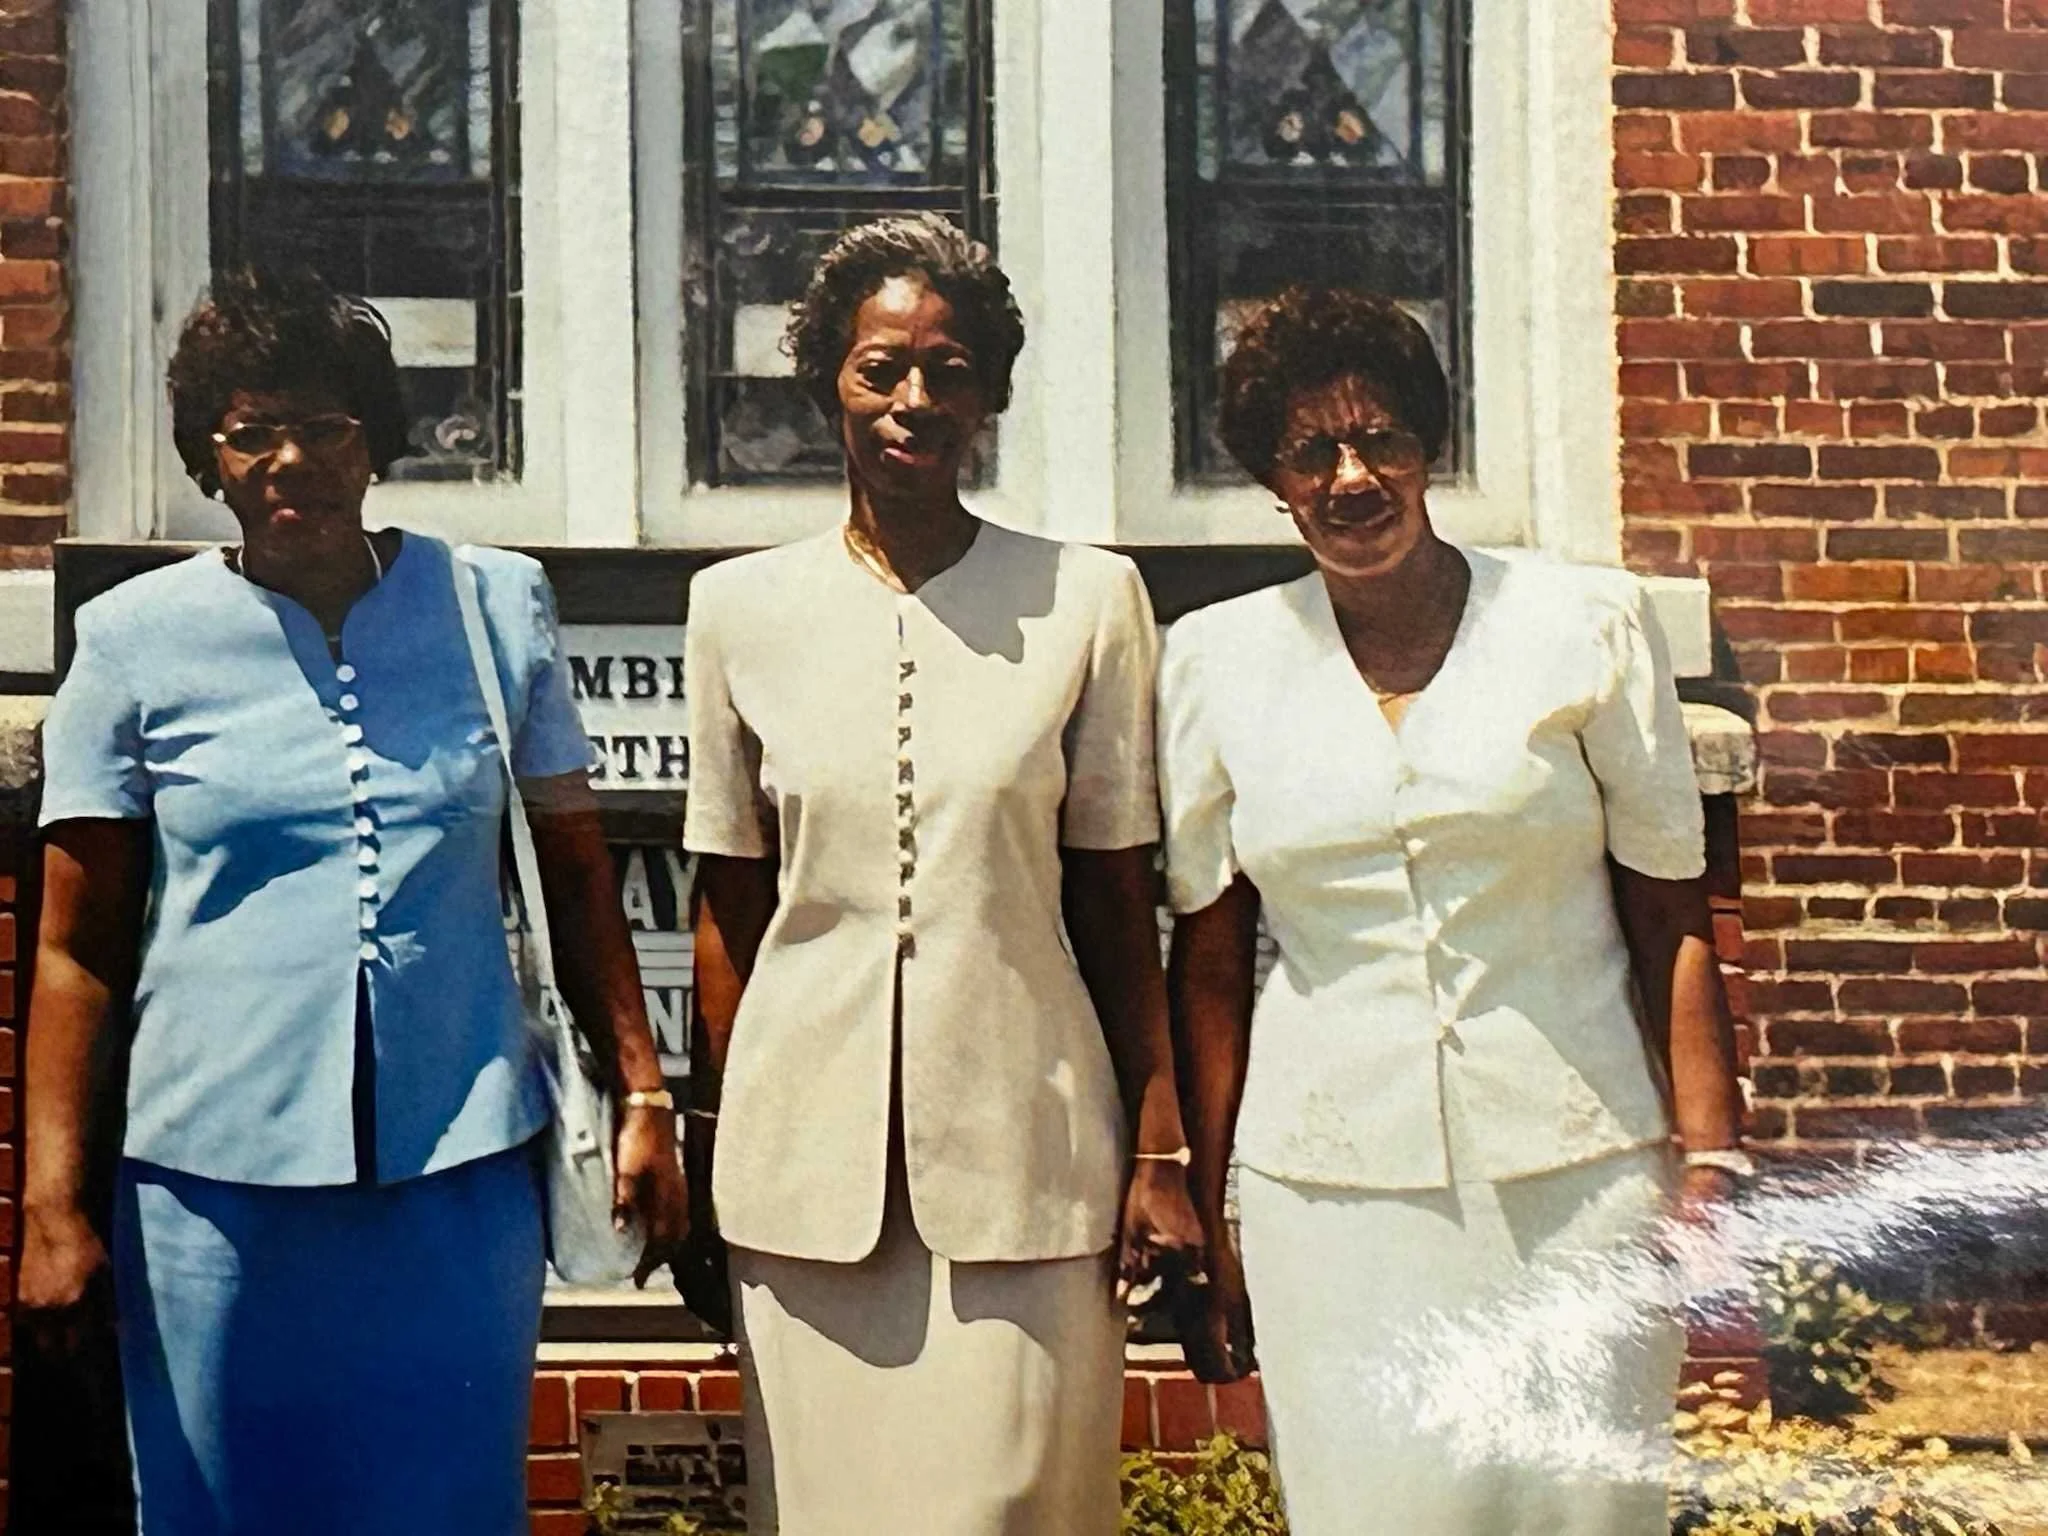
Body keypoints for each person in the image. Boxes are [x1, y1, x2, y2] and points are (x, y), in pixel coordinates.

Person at [19, 268, 688, 1535]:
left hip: (458, 1169)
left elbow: (576, 870)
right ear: (207, 457)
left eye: (325, 427)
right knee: (223, 1508)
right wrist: (52, 1209)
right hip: (212, 1187)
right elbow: (74, 952)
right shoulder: (131, 641)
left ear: (374, 441)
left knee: (445, 1506)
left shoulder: (496, 606)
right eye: (250, 430)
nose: (291, 460)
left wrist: (643, 1089)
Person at [1159, 287, 1750, 1536]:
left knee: (1579, 1509)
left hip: (1578, 1175)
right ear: (1272, 476)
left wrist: (1709, 1158)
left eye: (1379, 438)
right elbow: (1206, 961)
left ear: (1429, 445)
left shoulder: (1582, 623)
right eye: (1311, 450)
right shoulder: (1214, 660)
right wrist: (1205, 1206)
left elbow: (1669, 913)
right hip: (1329, 1192)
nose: (1352, 475)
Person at [682, 213, 1205, 1534]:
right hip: (802, 1181)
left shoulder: (1088, 600)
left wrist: (1160, 1151)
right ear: (828, 387)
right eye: (881, 370)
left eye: (950, 370)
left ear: (990, 395)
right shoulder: (739, 610)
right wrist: (711, 1146)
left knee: (1010, 1506)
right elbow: (730, 906)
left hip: (1032, 1170)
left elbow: (1115, 902)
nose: (915, 401)